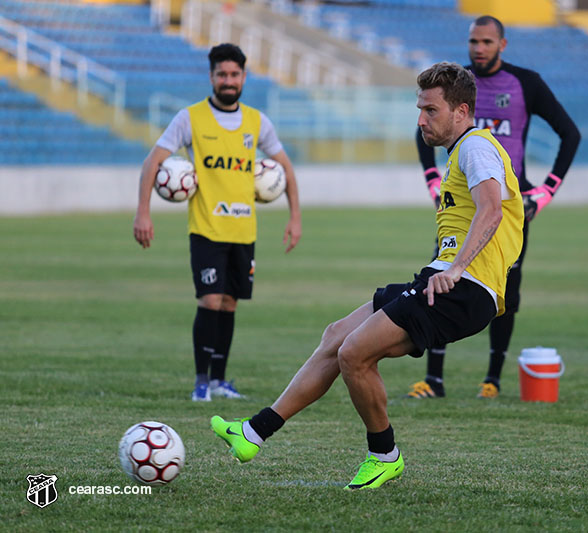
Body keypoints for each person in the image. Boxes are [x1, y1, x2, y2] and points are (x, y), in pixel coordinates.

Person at [210, 62, 525, 489]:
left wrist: (455, 268)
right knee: (336, 335)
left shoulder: (475, 147)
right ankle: (253, 432)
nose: (420, 119)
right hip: (443, 278)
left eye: (431, 110)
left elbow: (490, 209)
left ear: (462, 111)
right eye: (420, 109)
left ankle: (384, 454)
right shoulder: (463, 150)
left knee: (354, 353)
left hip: (465, 288)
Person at [407, 15, 581, 399]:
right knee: (442, 274)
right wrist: (434, 181)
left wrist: (547, 190)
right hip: (463, 202)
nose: (478, 49)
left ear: (503, 44)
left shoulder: (526, 83)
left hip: (509, 201)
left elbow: (570, 133)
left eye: (486, 42)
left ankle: (493, 380)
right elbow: (424, 132)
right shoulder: (454, 84)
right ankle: (433, 380)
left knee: (507, 290)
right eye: (473, 42)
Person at [133, 43, 302, 402]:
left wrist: (295, 217)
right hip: (206, 229)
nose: (228, 80)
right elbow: (152, 163)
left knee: (229, 303)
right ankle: (200, 381)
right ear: (211, 77)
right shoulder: (189, 118)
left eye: (234, 74)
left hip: (244, 231)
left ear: (243, 77)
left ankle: (220, 381)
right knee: (210, 301)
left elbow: (286, 168)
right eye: (222, 74)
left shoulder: (257, 122)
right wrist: (143, 211)